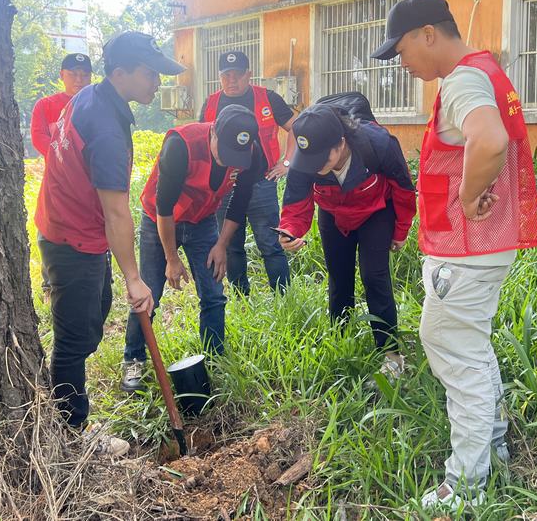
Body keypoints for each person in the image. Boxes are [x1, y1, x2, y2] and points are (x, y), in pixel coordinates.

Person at [371, 0, 537, 508]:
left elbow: (488, 140)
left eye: (401, 49)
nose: (401, 62)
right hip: (483, 248)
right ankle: (494, 449)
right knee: (472, 348)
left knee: (452, 351)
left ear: (428, 34)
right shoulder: (485, 70)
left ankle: (465, 486)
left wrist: (468, 197)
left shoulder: (463, 80)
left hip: (466, 252)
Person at [34, 31, 184, 435]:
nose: (157, 82)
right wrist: (134, 279)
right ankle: (71, 432)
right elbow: (117, 213)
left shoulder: (89, 97)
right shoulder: (107, 133)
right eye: (150, 73)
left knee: (93, 318)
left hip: (69, 227)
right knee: (73, 339)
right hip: (72, 239)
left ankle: (67, 412)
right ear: (120, 73)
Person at [120, 104, 267, 393]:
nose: (228, 162)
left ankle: (215, 358)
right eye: (224, 152)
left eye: (236, 156)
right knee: (148, 293)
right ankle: (133, 359)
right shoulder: (181, 145)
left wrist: (221, 245)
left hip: (202, 221)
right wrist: (171, 258)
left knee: (213, 292)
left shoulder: (251, 152)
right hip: (160, 220)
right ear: (213, 132)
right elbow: (164, 207)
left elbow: (239, 202)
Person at [276, 104, 416, 377]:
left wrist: (400, 230)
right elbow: (296, 201)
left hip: (376, 212)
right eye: (309, 160)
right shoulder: (308, 158)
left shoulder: (379, 145)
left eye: (321, 159)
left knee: (374, 276)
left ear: (340, 143)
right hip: (333, 214)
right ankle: (341, 340)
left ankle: (391, 354)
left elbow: (403, 190)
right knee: (338, 278)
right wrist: (290, 230)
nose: (315, 167)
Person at [200, 51, 294, 294]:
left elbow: (297, 127)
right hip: (225, 185)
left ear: (249, 74)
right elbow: (201, 141)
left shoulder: (267, 98)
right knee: (231, 246)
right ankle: (242, 298)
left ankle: (283, 298)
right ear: (219, 77)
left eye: (238, 75)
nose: (232, 80)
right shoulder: (211, 103)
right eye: (226, 75)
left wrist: (286, 162)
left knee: (270, 244)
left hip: (261, 184)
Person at [31, 52, 94, 301]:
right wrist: (64, 161)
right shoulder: (46, 105)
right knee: (49, 228)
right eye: (73, 74)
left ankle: (99, 275)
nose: (79, 79)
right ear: (62, 76)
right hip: (56, 183)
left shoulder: (95, 105)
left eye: (84, 75)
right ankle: (49, 284)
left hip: (87, 185)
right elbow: (39, 137)